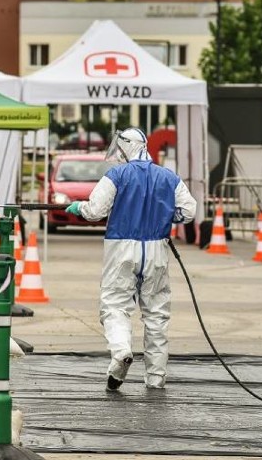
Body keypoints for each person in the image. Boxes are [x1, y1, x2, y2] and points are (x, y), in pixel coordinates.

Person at [65, 128, 196, 391]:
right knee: (157, 315)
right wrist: (165, 217)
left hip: (121, 248)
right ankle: (156, 378)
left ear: (126, 147)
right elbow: (188, 211)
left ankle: (121, 352)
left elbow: (95, 210)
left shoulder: (116, 175)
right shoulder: (169, 177)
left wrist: (79, 207)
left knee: (115, 305)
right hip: (157, 250)